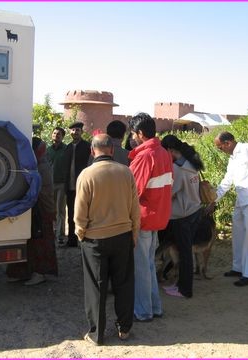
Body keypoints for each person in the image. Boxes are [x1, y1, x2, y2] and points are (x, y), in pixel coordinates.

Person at [75, 134, 140, 345]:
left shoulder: (86, 175)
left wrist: (80, 233)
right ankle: (124, 329)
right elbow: (134, 209)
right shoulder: (126, 172)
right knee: (123, 283)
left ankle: (97, 334)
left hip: (94, 239)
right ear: (112, 150)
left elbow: (79, 212)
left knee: (96, 286)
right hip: (122, 236)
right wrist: (134, 234)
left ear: (93, 151)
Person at [128, 112, 173, 321]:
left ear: (139, 133)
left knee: (141, 267)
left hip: (143, 219)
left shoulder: (144, 156)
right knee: (148, 264)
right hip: (158, 217)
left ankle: (143, 311)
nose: (132, 138)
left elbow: (132, 191)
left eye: (133, 134)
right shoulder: (163, 152)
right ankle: (155, 307)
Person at [214, 131, 248, 286]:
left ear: (228, 143)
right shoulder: (233, 158)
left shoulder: (246, 149)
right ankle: (238, 267)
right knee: (238, 234)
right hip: (241, 198)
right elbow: (227, 179)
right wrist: (215, 198)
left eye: (220, 147)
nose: (220, 150)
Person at [6, 137, 58, 285]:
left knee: (40, 241)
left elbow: (42, 192)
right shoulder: (37, 165)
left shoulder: (41, 167)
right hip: (36, 209)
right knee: (29, 241)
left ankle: (39, 272)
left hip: (42, 210)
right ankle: (24, 271)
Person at [160, 135, 204, 298]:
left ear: (171, 150)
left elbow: (170, 193)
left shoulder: (178, 169)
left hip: (182, 215)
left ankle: (185, 289)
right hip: (195, 210)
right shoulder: (190, 162)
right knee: (186, 252)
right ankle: (180, 285)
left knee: (184, 254)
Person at [64, 121, 91, 247]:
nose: (75, 132)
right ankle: (71, 239)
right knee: (70, 215)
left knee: (85, 213)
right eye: (73, 130)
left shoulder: (87, 147)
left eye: (77, 130)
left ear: (82, 132)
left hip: (83, 187)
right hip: (69, 187)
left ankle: (85, 239)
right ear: (70, 132)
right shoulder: (68, 148)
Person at [47, 127, 68, 246]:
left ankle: (60, 235)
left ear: (63, 136)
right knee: (51, 210)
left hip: (62, 183)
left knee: (60, 210)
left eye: (59, 134)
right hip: (50, 184)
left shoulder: (66, 149)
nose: (56, 135)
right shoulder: (47, 150)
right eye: (54, 133)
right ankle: (51, 233)